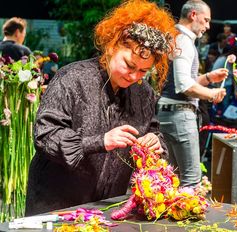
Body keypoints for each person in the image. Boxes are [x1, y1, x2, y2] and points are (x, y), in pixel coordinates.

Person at [25, 0, 178, 216]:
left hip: (107, 207)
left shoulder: (143, 93)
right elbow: (45, 136)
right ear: (112, 45)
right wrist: (100, 141)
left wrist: (155, 142)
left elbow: (153, 131)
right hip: (57, 204)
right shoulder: (72, 78)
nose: (134, 76)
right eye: (129, 65)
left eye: (143, 71)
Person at [157, 0, 227, 187]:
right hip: (179, 114)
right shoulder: (184, 41)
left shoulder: (175, 36)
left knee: (171, 178)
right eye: (206, 20)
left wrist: (209, 78)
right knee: (191, 180)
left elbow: (180, 80)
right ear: (193, 15)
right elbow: (184, 85)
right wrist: (211, 94)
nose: (208, 26)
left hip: (167, 112)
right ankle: (188, 215)